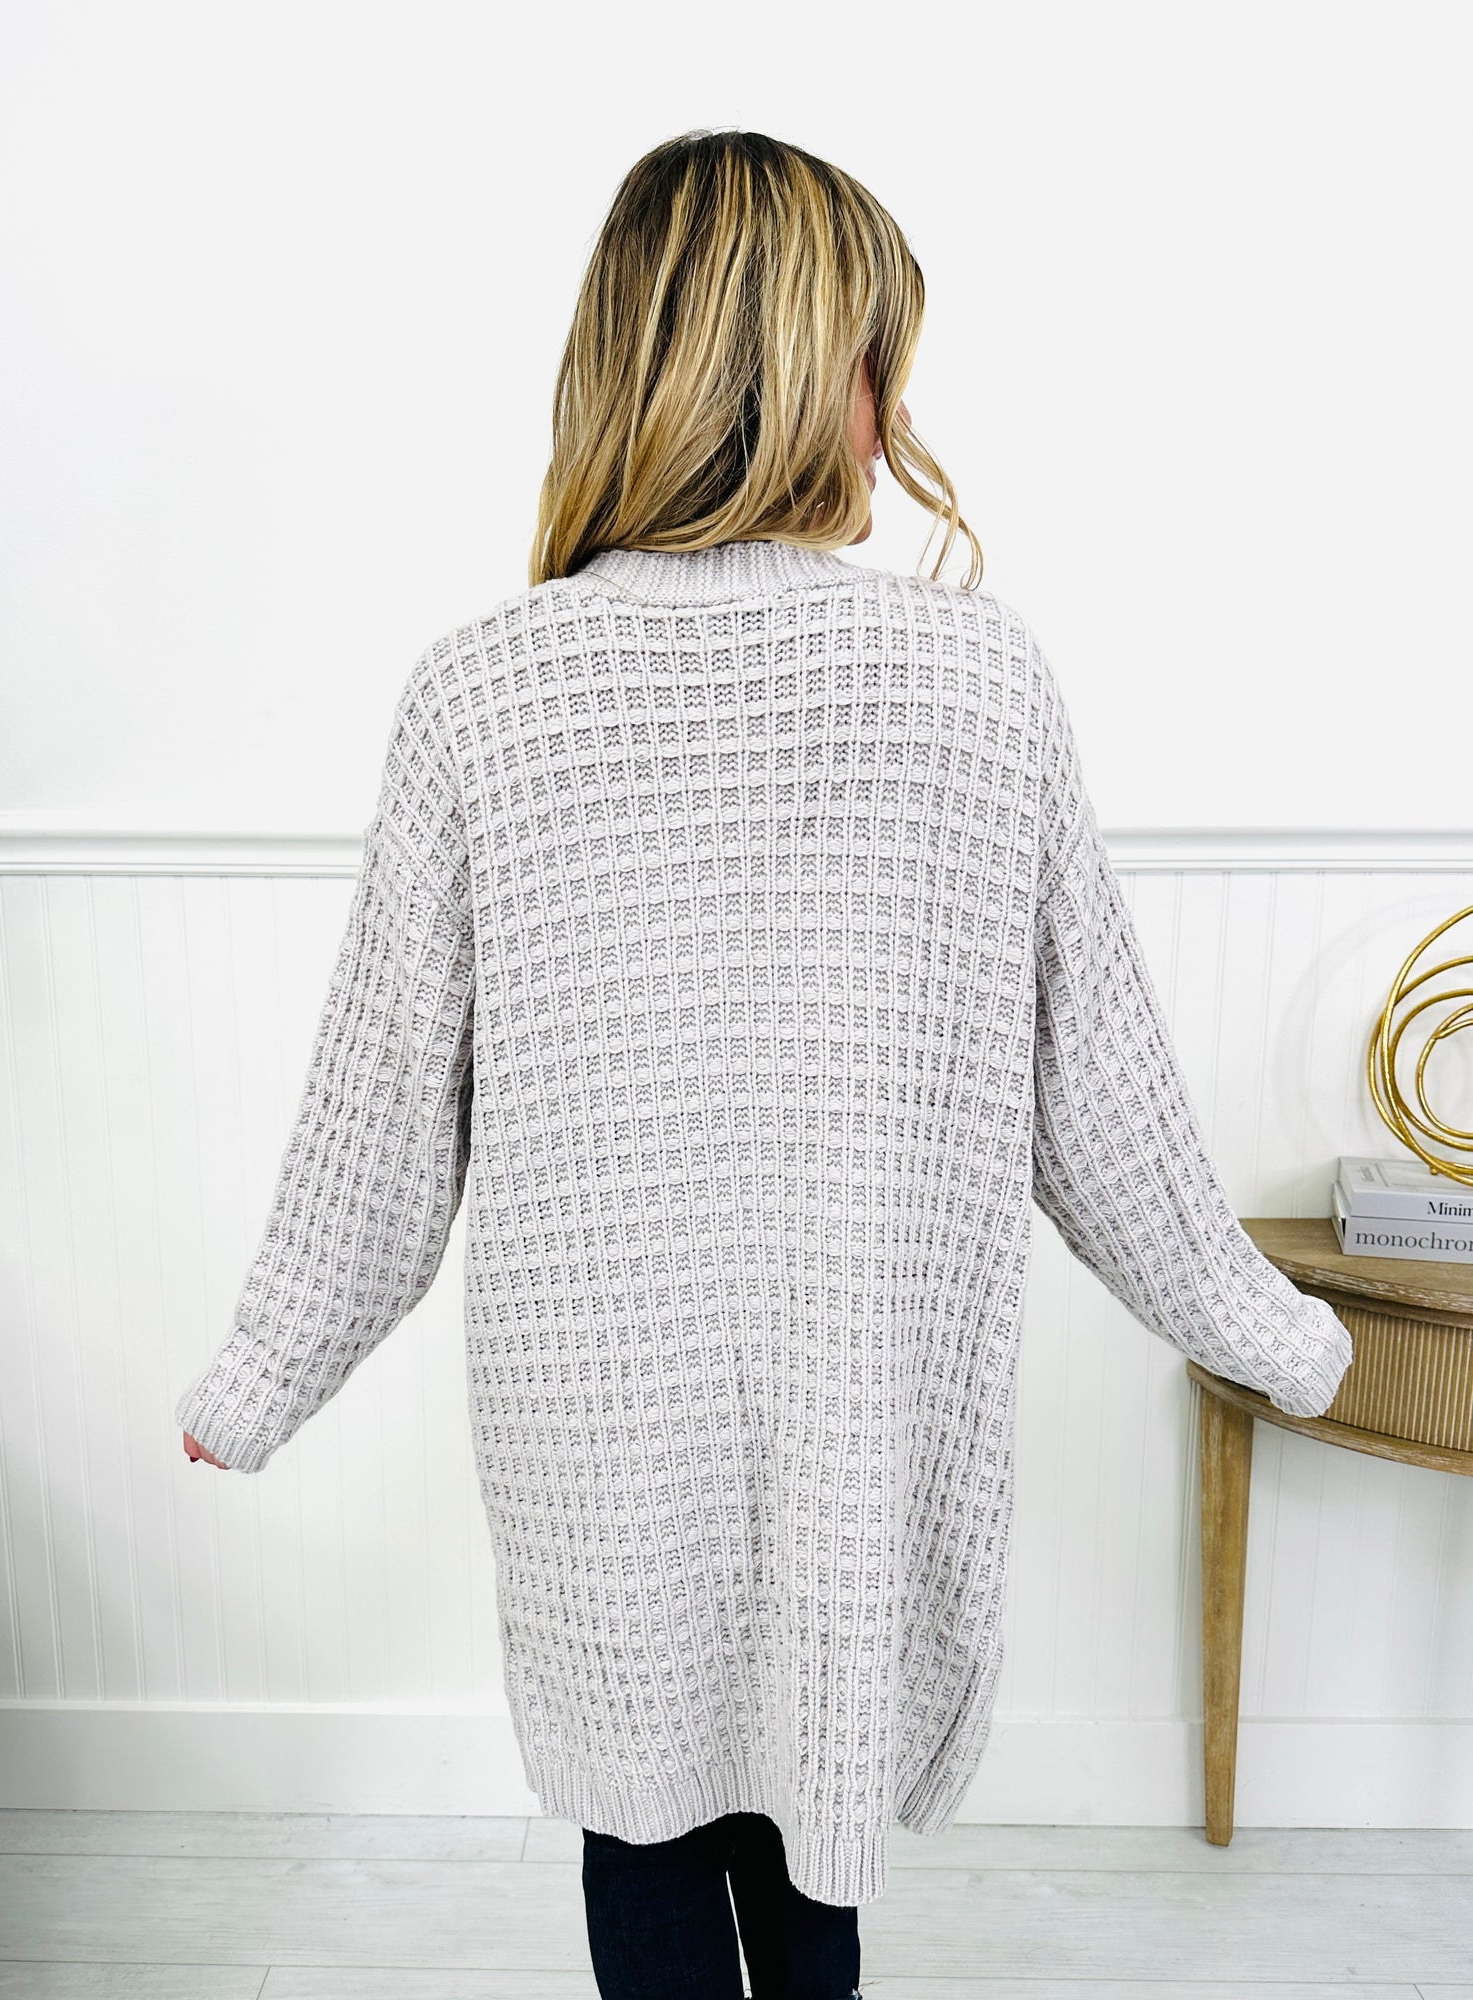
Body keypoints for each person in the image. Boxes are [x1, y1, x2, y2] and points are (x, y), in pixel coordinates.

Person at [177, 128, 1353, 2000]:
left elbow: (379, 1126)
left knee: (645, 1833)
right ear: (821, 377)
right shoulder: (973, 681)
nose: (903, 419)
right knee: (810, 1844)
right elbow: (1108, 1109)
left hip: (605, 1428)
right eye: (888, 364)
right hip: (858, 1410)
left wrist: (257, 1374)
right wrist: (1276, 1333)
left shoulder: (485, 689)